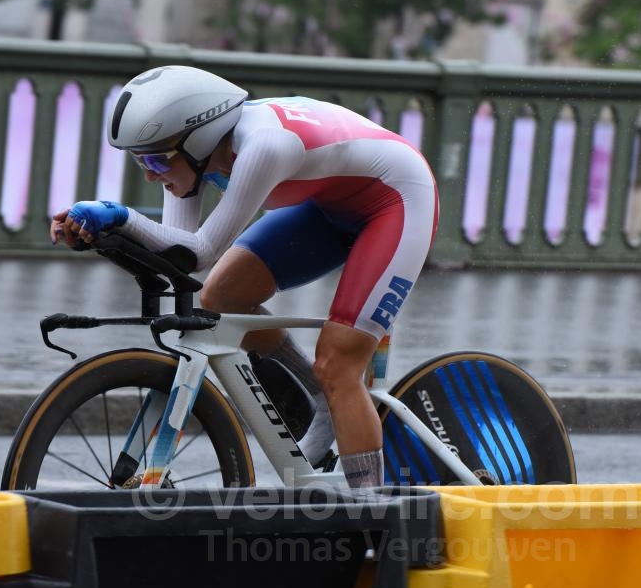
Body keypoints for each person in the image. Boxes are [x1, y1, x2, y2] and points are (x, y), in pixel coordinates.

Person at [50, 65, 438, 489]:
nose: (149, 173)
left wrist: (118, 215)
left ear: (197, 141)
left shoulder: (263, 146)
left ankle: (373, 511)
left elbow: (199, 251)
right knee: (221, 296)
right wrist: (97, 233)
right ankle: (319, 395)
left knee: (338, 366)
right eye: (140, 160)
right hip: (328, 207)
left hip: (396, 200)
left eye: (156, 160)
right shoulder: (190, 156)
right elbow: (179, 254)